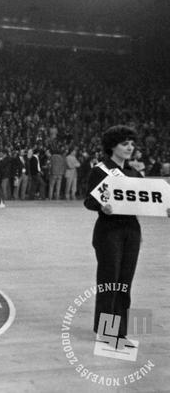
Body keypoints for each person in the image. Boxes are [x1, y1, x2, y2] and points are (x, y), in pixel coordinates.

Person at [84, 125, 170, 340]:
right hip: (108, 232)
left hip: (131, 231)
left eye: (132, 144)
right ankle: (106, 331)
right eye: (125, 144)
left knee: (125, 282)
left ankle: (120, 331)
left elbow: (148, 200)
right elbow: (89, 201)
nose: (130, 147)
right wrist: (102, 206)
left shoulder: (135, 173)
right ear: (113, 146)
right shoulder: (100, 170)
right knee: (109, 280)